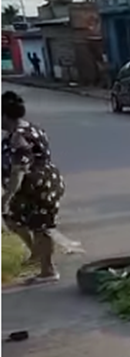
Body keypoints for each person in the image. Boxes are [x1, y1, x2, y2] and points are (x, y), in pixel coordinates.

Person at [2, 91, 70, 284]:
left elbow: (18, 171)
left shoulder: (19, 138)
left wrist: (5, 198)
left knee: (41, 227)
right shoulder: (24, 130)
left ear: (5, 116)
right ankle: (37, 255)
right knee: (14, 220)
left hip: (39, 187)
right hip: (34, 186)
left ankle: (48, 271)